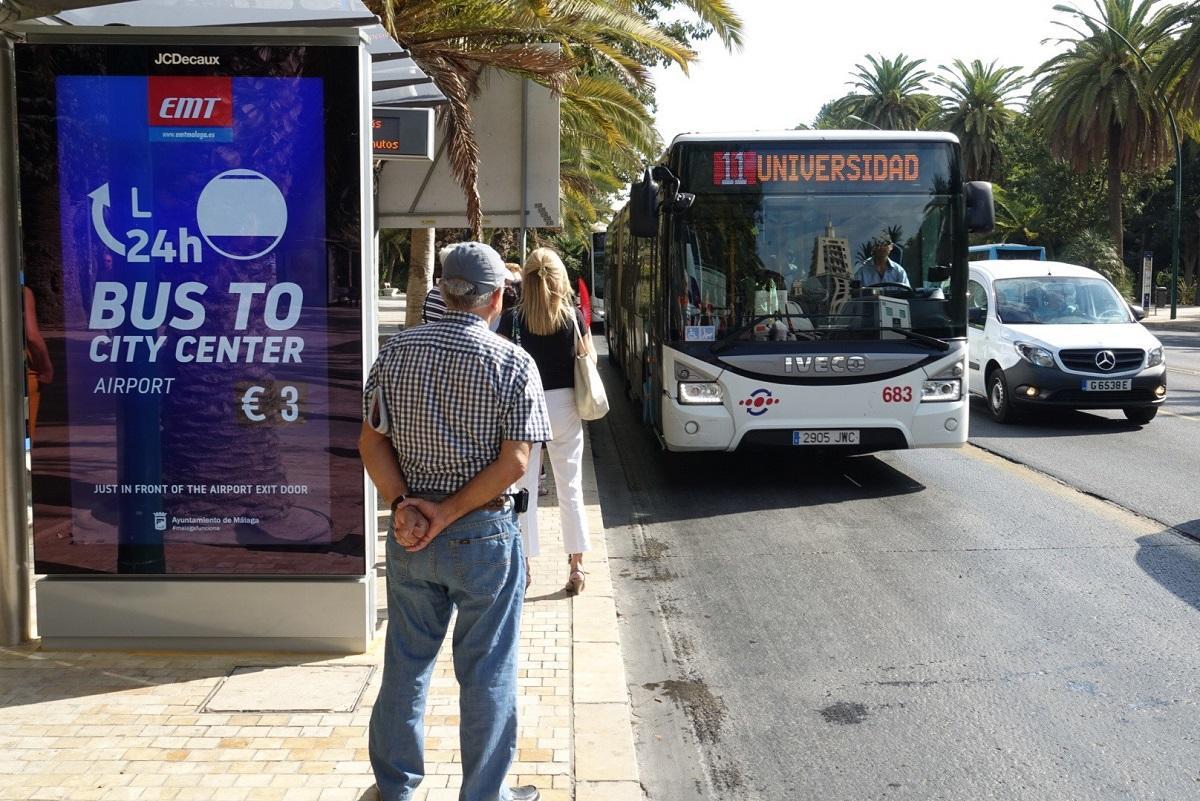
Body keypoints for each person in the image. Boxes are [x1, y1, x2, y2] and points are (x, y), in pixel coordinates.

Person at [360, 241, 551, 801]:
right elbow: (516, 461)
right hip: (484, 537)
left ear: (444, 290)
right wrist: (446, 512)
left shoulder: (396, 353)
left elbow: (371, 443)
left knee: (405, 663)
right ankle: (485, 794)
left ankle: (395, 789)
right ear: (494, 299)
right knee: (488, 670)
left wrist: (405, 507)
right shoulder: (513, 362)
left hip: (411, 533)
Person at [498, 248, 594, 596]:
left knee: (522, 490)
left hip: (526, 407)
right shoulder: (571, 318)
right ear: (559, 279)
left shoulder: (513, 319)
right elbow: (588, 358)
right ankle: (577, 565)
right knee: (571, 486)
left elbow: (503, 363)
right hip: (565, 406)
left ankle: (523, 564)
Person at [23, 286, 53, 440]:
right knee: (22, 437)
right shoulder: (21, 291)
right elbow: (31, 335)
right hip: (19, 372)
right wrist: (46, 367)